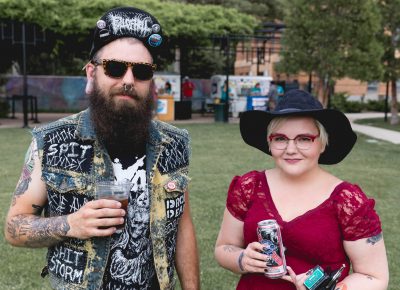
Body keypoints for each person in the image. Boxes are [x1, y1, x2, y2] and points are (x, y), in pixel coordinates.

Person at [5, 6, 199, 290]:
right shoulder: (52, 142)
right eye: (115, 68)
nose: (129, 81)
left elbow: (182, 226)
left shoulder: (174, 143)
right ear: (91, 73)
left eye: (142, 71)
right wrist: (71, 223)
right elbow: (14, 227)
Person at [214, 89, 389, 290]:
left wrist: (327, 288)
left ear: (322, 144)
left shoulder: (347, 200)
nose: (290, 149)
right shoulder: (249, 187)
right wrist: (241, 258)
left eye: (304, 139)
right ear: (269, 143)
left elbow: (375, 277)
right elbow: (222, 248)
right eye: (280, 138)